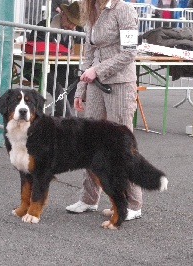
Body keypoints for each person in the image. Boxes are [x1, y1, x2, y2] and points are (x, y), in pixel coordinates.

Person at [65, 0, 143, 221]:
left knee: (122, 144)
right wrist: (80, 90)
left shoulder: (124, 10)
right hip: (95, 85)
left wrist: (97, 70)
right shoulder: (91, 11)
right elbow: (88, 55)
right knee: (89, 142)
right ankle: (89, 198)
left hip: (120, 85)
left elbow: (129, 53)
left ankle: (133, 203)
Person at [24, 1, 84, 117]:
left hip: (63, 68)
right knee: (59, 90)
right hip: (40, 68)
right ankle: (67, 118)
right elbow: (37, 51)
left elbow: (84, 49)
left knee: (79, 83)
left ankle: (59, 116)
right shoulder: (44, 26)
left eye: (74, 23)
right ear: (63, 14)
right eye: (70, 21)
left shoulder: (79, 30)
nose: (72, 26)